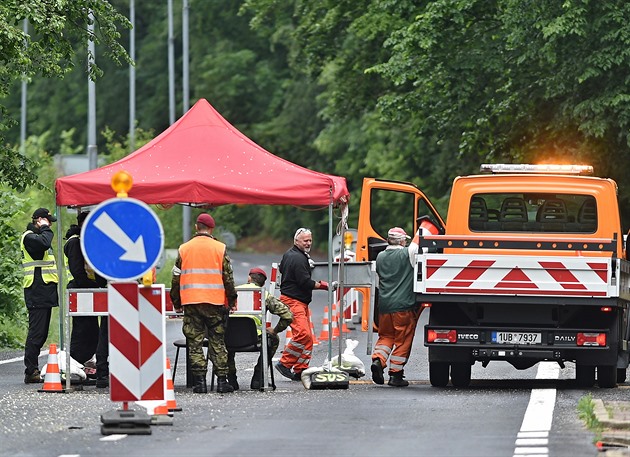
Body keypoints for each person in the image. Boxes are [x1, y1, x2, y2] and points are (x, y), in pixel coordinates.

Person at [170, 213, 238, 393]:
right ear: (211, 229)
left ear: (196, 227)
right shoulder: (220, 248)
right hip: (215, 302)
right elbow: (228, 278)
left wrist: (176, 301)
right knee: (217, 340)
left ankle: (200, 383)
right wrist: (232, 299)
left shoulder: (184, 249)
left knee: (195, 341)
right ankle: (222, 382)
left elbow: (176, 278)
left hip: (191, 302)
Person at [370, 227, 422, 387]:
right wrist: (424, 227)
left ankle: (378, 359)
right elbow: (415, 244)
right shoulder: (407, 254)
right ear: (400, 241)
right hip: (403, 306)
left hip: (384, 307)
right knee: (402, 340)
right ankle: (396, 375)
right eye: (404, 239)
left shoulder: (380, 257)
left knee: (385, 336)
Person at [275, 228, 328, 381]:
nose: (308, 243)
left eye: (310, 240)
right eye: (305, 240)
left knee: (309, 339)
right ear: (296, 241)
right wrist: (324, 285)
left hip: (297, 300)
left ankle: (300, 370)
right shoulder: (297, 259)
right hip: (293, 301)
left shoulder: (292, 255)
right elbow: (305, 282)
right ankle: (284, 364)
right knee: (303, 334)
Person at [228, 267, 293, 390]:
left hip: (229, 338)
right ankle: (259, 378)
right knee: (274, 339)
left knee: (222, 340)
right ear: (263, 283)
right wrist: (275, 330)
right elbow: (287, 315)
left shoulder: (233, 292)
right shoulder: (264, 294)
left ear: (249, 278)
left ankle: (230, 379)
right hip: (254, 339)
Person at [64, 211, 109, 386]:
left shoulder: (84, 241)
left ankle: (83, 366)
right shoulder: (75, 242)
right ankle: (76, 366)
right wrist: (94, 286)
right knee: (83, 331)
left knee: (91, 331)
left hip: (87, 289)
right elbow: (78, 270)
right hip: (80, 290)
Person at [21, 208, 59, 384]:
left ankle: (33, 368)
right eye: (47, 221)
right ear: (39, 220)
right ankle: (31, 370)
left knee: (41, 332)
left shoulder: (38, 236)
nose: (50, 224)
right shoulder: (30, 237)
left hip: (44, 290)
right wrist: (45, 228)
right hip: (36, 290)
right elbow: (44, 242)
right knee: (36, 332)